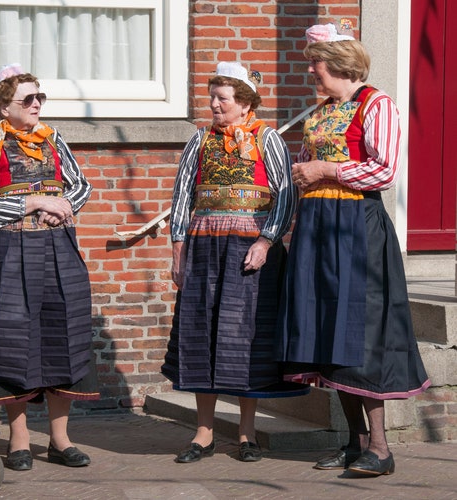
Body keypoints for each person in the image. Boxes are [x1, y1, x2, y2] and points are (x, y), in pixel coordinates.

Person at [275, 20, 431, 476]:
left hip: (356, 226)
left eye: (315, 62)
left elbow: (384, 171)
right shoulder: (322, 111)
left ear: (340, 63)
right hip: (317, 226)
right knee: (327, 329)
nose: (310, 71)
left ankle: (380, 449)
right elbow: (304, 169)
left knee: (360, 330)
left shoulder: (378, 105)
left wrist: (325, 167)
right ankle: (354, 443)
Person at [0, 63, 99, 471]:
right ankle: (18, 439)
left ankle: (60, 439)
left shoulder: (53, 139)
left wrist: (65, 205)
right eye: (28, 99)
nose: (38, 105)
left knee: (63, 338)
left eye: (41, 97)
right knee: (16, 343)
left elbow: (81, 185)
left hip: (58, 247)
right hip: (9, 251)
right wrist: (36, 201)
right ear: (4, 107)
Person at [161, 61, 298, 463]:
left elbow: (285, 195)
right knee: (202, 333)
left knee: (245, 340)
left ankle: (246, 433)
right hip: (205, 250)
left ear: (243, 102)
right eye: (212, 98)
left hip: (249, 252)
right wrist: (178, 250)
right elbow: (182, 195)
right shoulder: (199, 140)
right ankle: (203, 434)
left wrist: (266, 240)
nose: (214, 105)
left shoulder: (268, 138)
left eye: (222, 99)